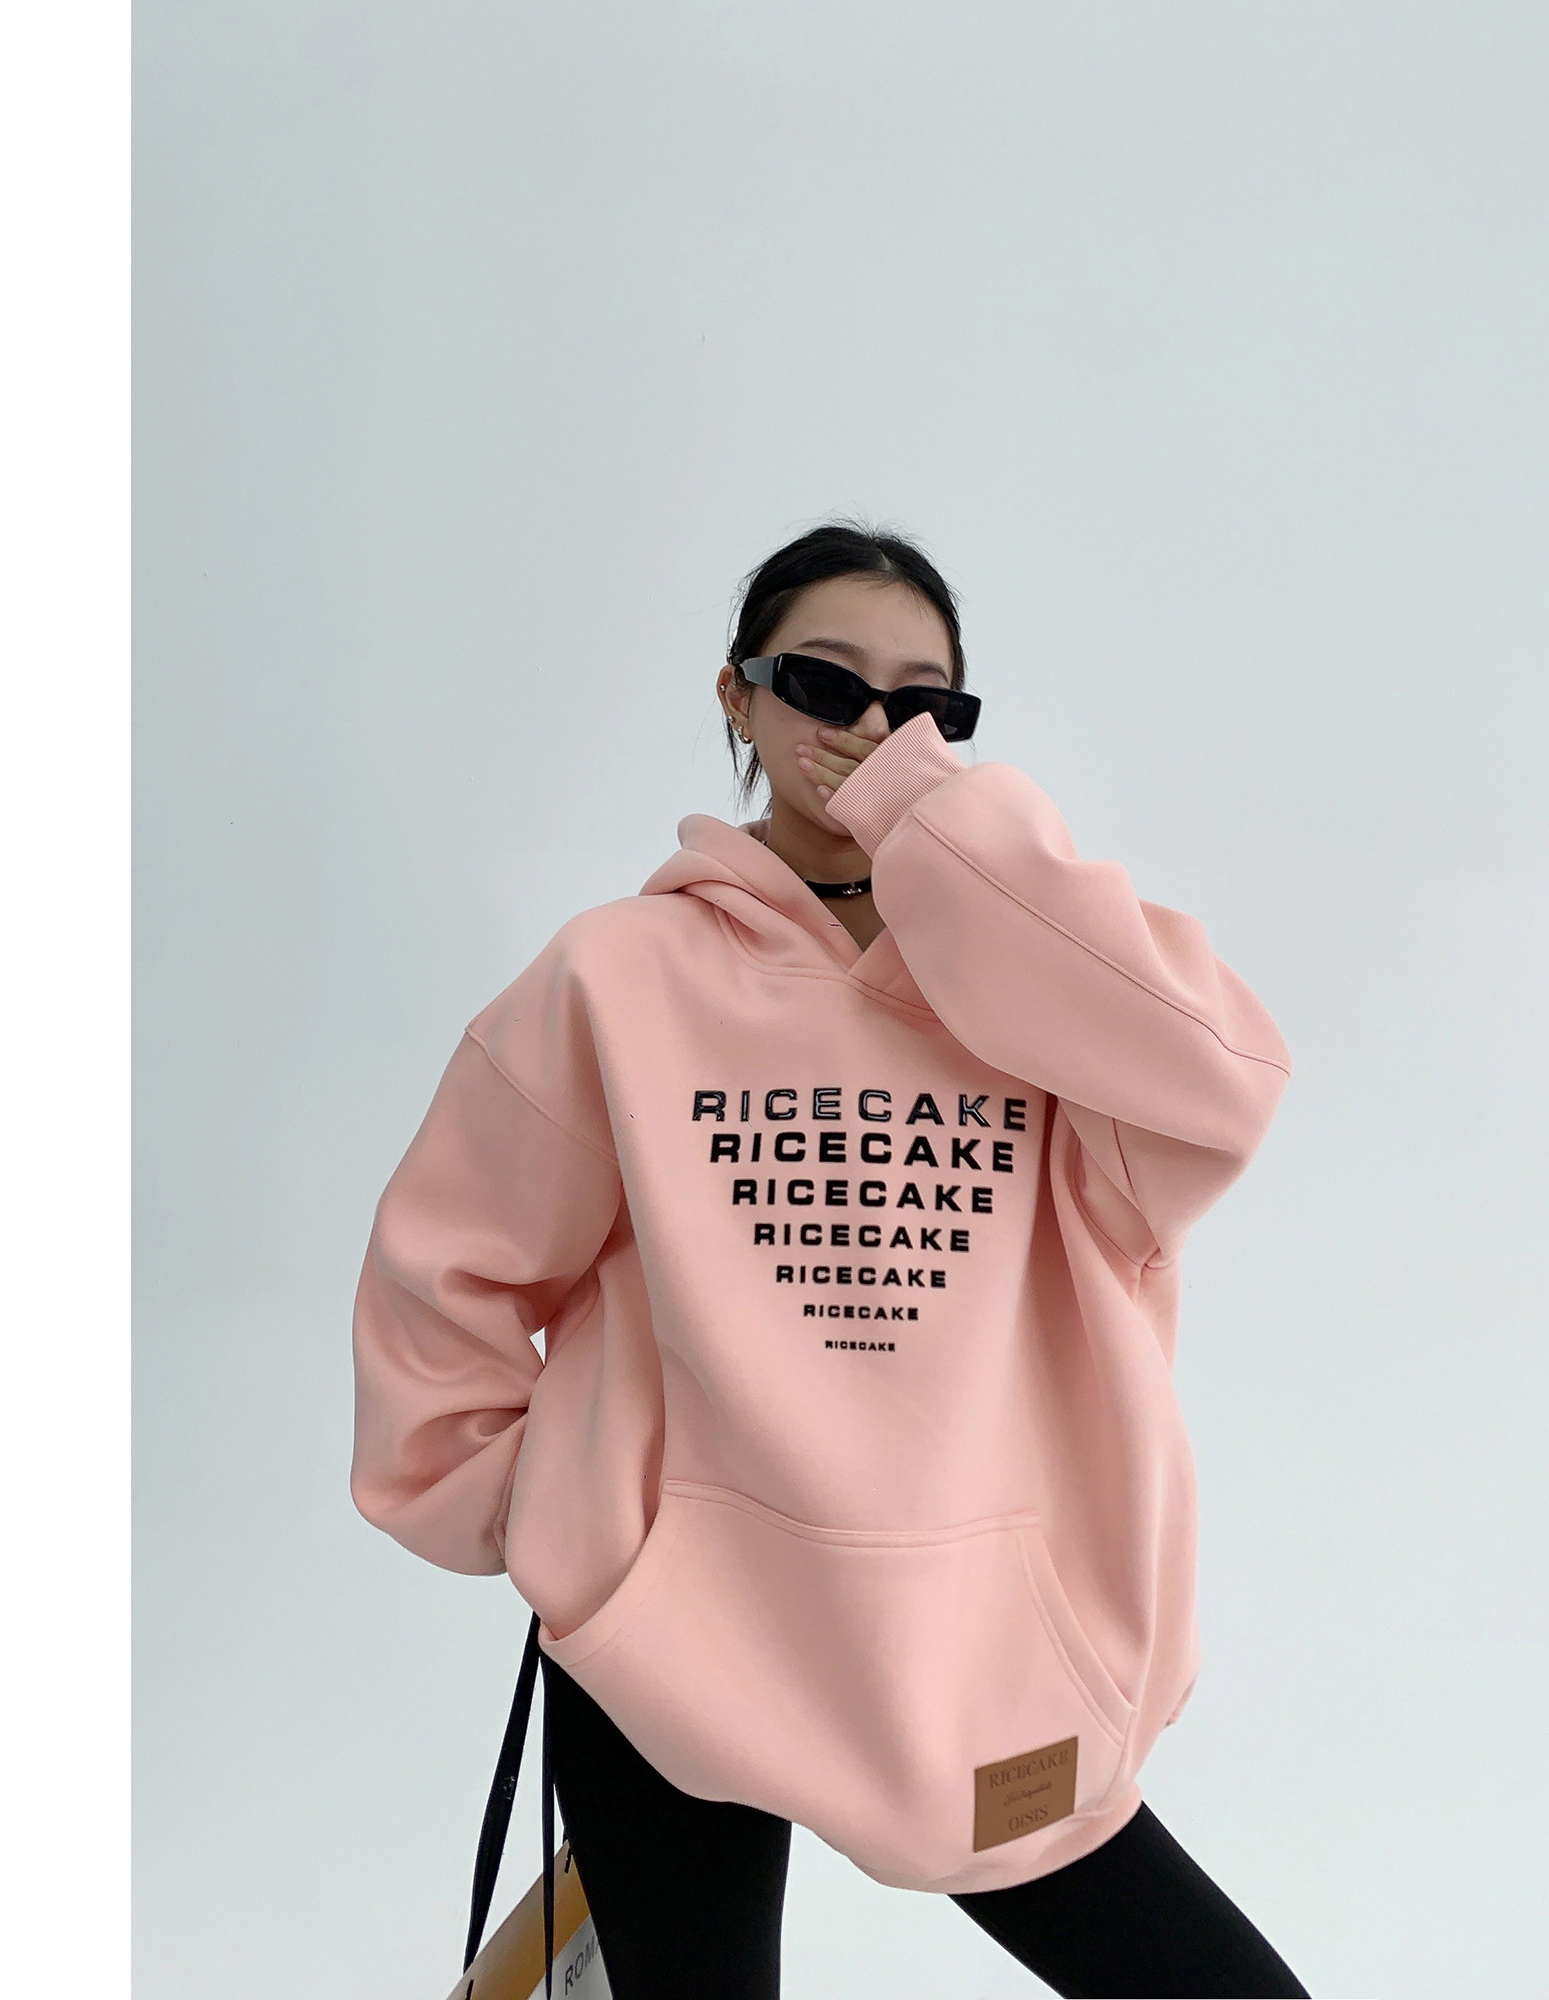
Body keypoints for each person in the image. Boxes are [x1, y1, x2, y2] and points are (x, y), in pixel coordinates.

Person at [350, 520, 1310, 1998]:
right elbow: (447, 1278)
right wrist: (578, 1529)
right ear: (737, 698)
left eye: (924, 707)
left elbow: (1223, 1083)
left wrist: (937, 829)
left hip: (976, 1647)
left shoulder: (1046, 993)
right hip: (675, 1644)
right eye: (823, 683)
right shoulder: (617, 974)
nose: (871, 726)